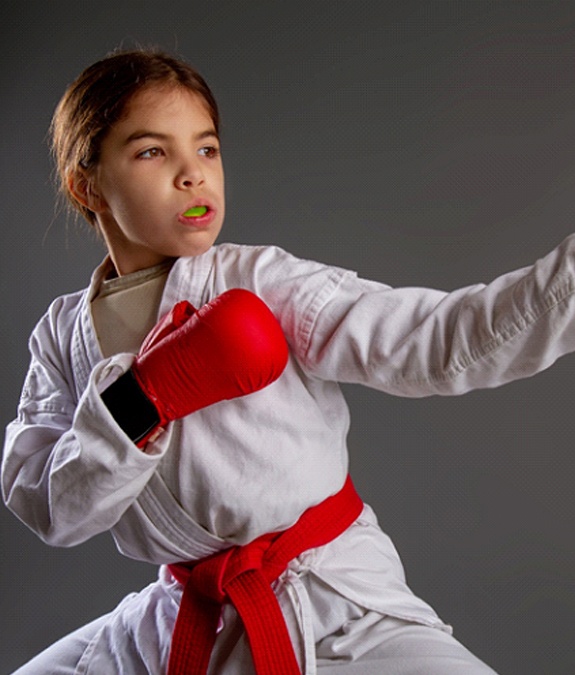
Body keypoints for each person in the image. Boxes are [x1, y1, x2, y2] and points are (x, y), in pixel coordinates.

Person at [5, 47, 575, 675]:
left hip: (337, 606)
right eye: (151, 151)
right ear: (87, 184)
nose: (193, 174)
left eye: (207, 149)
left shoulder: (261, 282)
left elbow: (435, 342)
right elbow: (50, 509)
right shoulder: (61, 335)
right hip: (187, 614)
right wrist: (142, 398)